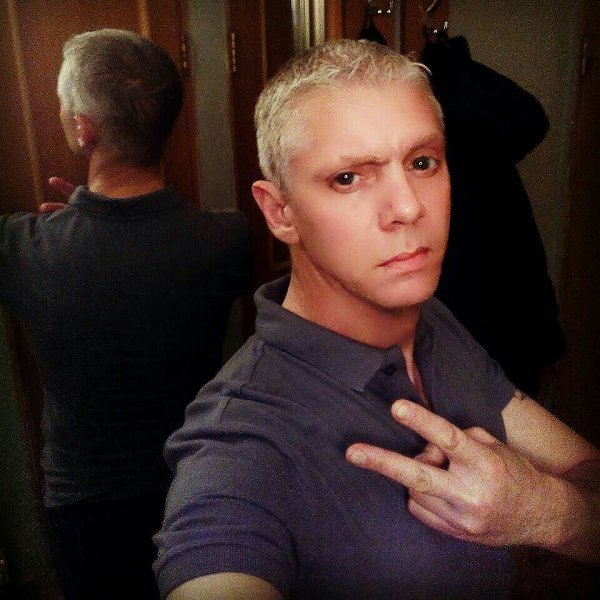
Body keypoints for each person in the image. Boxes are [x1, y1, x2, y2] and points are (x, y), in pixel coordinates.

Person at [154, 39, 599, 599]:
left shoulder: (428, 319)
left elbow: (583, 467)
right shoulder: (241, 445)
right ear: (280, 211)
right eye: (348, 178)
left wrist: (546, 511)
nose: (409, 207)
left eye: (422, 163)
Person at [0, 29, 251, 599]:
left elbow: (105, 264)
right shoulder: (226, 240)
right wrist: (89, 225)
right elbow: (140, 258)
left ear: (83, 128)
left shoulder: (26, 251)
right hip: (198, 482)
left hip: (87, 512)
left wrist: (77, 227)